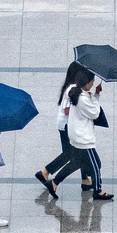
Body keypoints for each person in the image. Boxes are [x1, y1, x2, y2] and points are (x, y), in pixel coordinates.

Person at [33, 62, 96, 198]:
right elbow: (67, 110)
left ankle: (85, 180)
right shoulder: (72, 89)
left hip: (66, 125)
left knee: (76, 154)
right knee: (74, 155)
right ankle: (45, 172)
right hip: (68, 126)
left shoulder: (72, 87)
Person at [66, 72, 114, 201]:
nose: (93, 83)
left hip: (77, 136)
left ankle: (55, 182)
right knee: (95, 165)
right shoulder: (82, 98)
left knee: (79, 163)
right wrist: (96, 96)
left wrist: (94, 94)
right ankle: (97, 191)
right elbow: (94, 113)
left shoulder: (75, 92)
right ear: (86, 82)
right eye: (92, 81)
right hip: (84, 139)